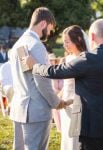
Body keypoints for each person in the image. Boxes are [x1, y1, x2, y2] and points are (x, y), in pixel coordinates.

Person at [25, 19, 103, 150]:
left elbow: (56, 71)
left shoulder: (87, 59)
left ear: (92, 36)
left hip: (93, 126)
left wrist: (34, 66)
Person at [9, 7, 67, 150]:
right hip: (37, 112)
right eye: (50, 28)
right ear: (43, 24)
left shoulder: (17, 44)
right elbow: (43, 82)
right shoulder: (36, 45)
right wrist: (56, 102)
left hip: (19, 109)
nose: (50, 32)